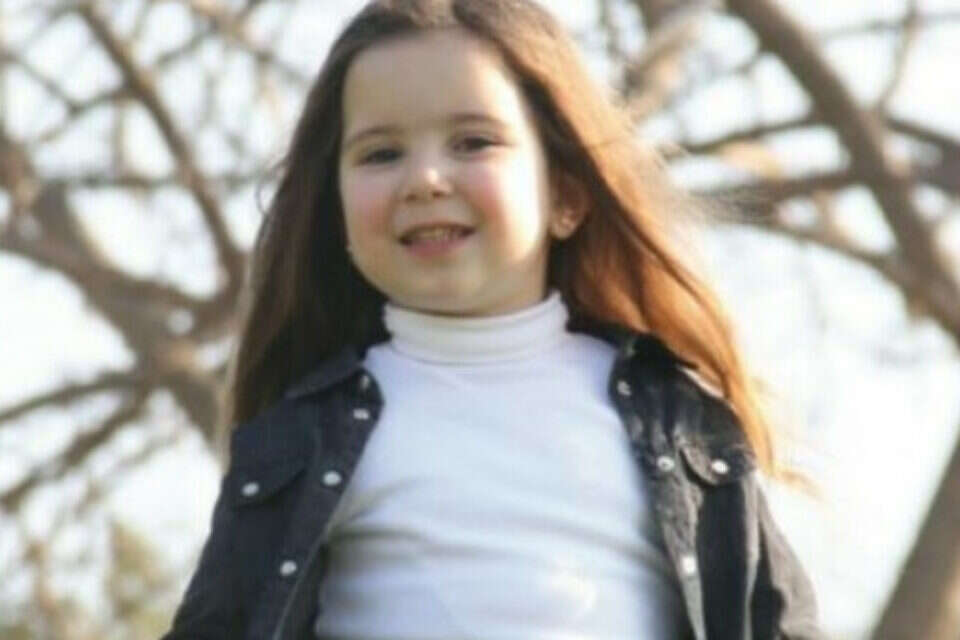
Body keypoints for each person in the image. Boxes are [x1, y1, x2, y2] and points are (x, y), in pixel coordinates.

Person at [161, 0, 823, 638]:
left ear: (566, 195)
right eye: (381, 153)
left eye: (473, 142)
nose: (425, 178)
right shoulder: (301, 437)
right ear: (335, 210)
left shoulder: (678, 422)